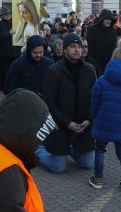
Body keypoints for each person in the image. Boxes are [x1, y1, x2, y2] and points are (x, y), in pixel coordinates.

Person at [36, 33, 97, 173]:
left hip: (83, 125)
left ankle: (70, 149)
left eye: (79, 46)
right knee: (57, 168)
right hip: (61, 126)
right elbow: (50, 102)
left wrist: (88, 119)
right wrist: (67, 123)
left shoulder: (89, 70)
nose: (77, 50)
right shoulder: (54, 71)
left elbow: (95, 98)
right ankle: (38, 149)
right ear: (64, 49)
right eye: (73, 46)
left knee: (88, 164)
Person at [89, 39, 121, 191]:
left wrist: (95, 116)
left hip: (103, 122)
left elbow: (94, 102)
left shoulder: (101, 81)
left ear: (112, 59)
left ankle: (98, 179)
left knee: (100, 150)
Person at [0, 7, 19, 90]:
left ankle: (15, 87)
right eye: (5, 14)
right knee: (5, 73)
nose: (8, 15)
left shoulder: (15, 23)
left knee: (16, 71)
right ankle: (5, 88)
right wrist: (8, 33)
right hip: (5, 54)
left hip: (16, 52)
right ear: (2, 16)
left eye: (9, 13)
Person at [86, 9, 121, 74]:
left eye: (110, 19)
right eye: (106, 19)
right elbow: (89, 47)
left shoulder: (113, 31)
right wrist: (91, 61)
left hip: (108, 63)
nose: (109, 21)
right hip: (94, 62)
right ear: (102, 19)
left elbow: (113, 47)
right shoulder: (92, 29)